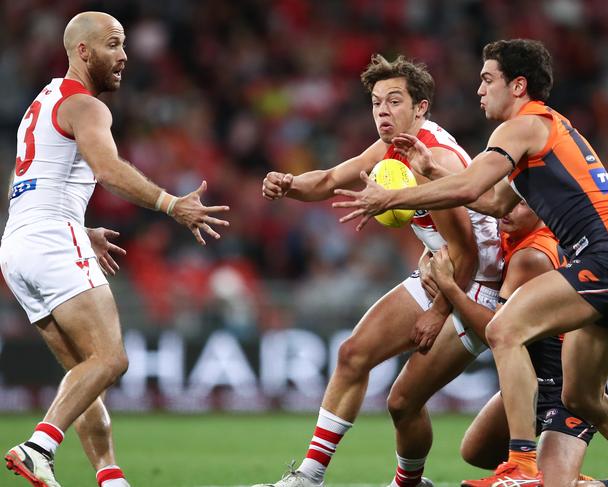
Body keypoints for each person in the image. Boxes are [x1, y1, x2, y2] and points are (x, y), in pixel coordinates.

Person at [333, 38, 608, 485]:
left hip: (607, 258)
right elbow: (497, 202)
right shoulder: (542, 131)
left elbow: (467, 192)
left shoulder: (521, 126)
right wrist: (436, 169)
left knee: (504, 328)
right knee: (585, 397)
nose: (479, 90)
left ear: (517, 86)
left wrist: (394, 196)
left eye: (487, 79)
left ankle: (520, 467)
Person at [1, 11, 229, 487]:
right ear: (83, 51)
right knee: (111, 360)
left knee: (83, 378)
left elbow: (29, 186)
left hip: (18, 245)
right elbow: (106, 168)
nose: (124, 55)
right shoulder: (86, 105)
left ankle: (110, 478)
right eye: (113, 44)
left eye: (124, 44)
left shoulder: (40, 104)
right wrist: (172, 205)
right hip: (49, 240)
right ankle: (38, 446)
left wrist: (80, 232)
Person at [254, 54, 502, 487]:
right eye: (375, 103)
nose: (383, 112)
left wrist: (438, 311)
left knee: (403, 401)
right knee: (353, 354)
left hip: (478, 285)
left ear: (421, 107)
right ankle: (309, 477)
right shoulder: (394, 146)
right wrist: (289, 184)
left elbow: (468, 252)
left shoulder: (433, 159)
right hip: (444, 269)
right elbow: (332, 178)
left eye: (393, 101)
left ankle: (409, 483)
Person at [428, 201, 608, 487]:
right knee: (477, 451)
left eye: (519, 204)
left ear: (542, 208)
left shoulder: (533, 256)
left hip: (561, 385)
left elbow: (494, 332)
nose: (506, 209)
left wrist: (451, 289)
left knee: (546, 485)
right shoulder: (509, 236)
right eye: (504, 199)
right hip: (530, 375)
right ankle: (566, 478)